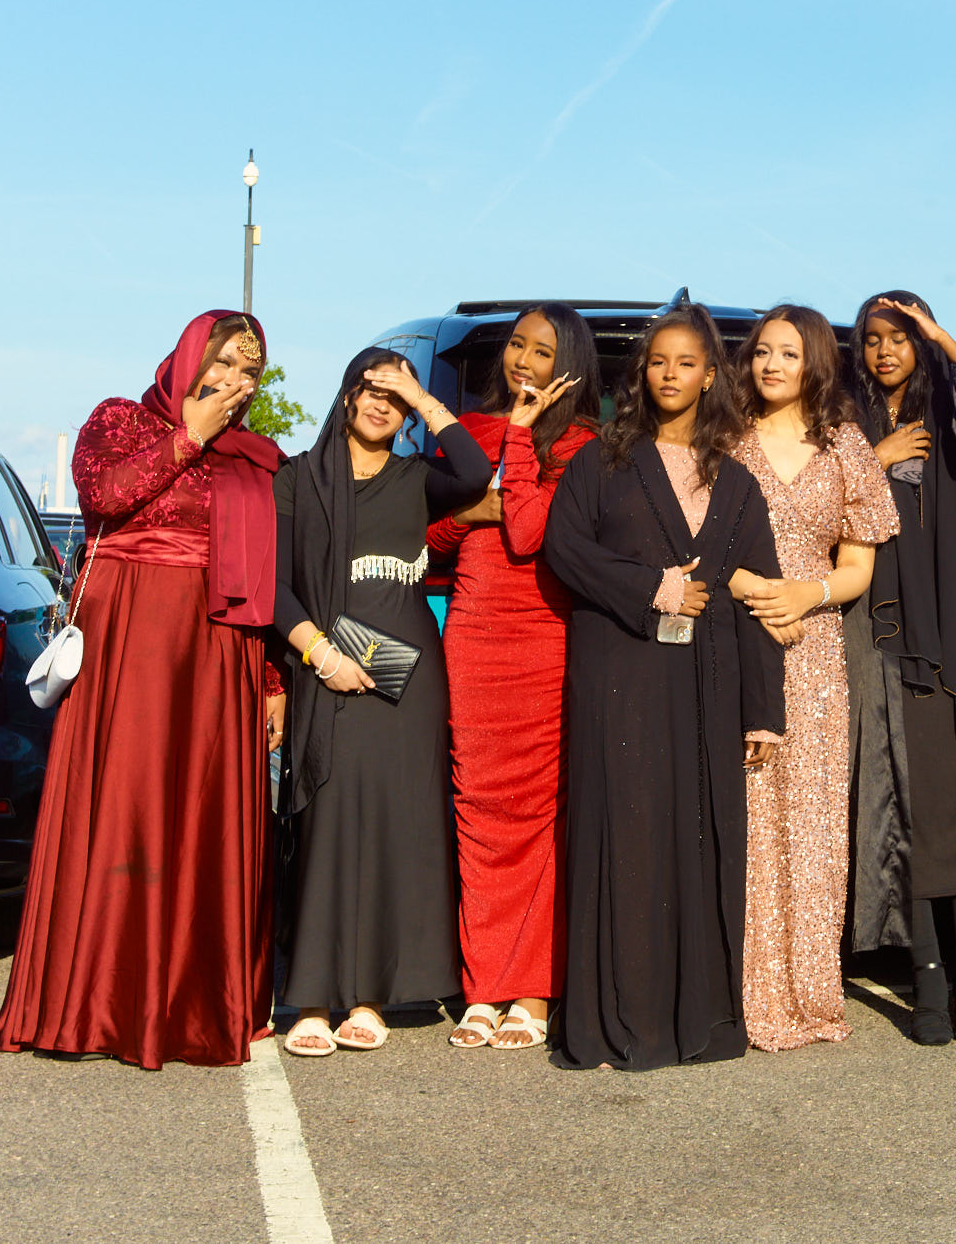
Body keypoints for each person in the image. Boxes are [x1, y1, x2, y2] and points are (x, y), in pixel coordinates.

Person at [0, 311, 283, 1069]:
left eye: (250, 371)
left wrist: (273, 679)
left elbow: (265, 572)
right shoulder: (120, 419)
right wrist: (190, 435)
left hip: (220, 651)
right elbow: (104, 496)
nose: (237, 381)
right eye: (224, 362)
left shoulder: (257, 457)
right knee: (124, 803)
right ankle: (97, 1000)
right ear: (189, 358)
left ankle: (192, 1002)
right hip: (132, 641)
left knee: (201, 811)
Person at [541, 304, 787, 1070]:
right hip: (620, 676)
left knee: (701, 836)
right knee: (626, 836)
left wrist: (763, 711)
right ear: (641, 374)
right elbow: (563, 550)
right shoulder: (602, 463)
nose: (670, 374)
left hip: (709, 683)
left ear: (710, 375)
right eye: (658, 362)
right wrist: (653, 587)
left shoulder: (739, 483)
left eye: (686, 362)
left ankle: (697, 1023)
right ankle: (616, 1023)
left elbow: (759, 593)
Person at [270, 349, 491, 1057]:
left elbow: (476, 473)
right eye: (371, 388)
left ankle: (371, 998)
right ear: (345, 397)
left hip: (408, 678)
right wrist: (321, 655)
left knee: (398, 826)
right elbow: (274, 585)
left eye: (395, 396)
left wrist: (425, 401)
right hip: (323, 665)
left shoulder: (417, 478)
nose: (380, 403)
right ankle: (311, 998)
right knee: (328, 822)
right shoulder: (297, 478)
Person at [426, 305, 601, 1054]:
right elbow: (428, 534)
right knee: (479, 810)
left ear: (572, 365)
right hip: (473, 633)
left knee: (540, 815)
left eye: (543, 351)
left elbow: (530, 532)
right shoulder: (469, 431)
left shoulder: (585, 445)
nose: (523, 361)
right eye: (517, 346)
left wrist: (522, 439)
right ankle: (484, 985)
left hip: (545, 638)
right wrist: (476, 509)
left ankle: (533, 988)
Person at [844, 291, 956, 1046]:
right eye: (874, 338)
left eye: (902, 337)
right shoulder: (843, 423)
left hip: (949, 634)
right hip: (874, 633)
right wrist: (871, 460)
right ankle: (928, 981)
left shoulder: (951, 416)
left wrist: (941, 335)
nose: (887, 350)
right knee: (902, 805)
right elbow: (804, 501)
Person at [724, 305, 900, 1051]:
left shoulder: (846, 445)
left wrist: (807, 593)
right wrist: (753, 591)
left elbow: (858, 566)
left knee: (812, 822)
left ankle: (806, 991)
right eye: (762, 351)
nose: (771, 365)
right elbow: (686, 538)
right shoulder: (722, 438)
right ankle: (732, 991)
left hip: (817, 647)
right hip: (732, 638)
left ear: (815, 363)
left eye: (788, 354)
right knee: (741, 814)